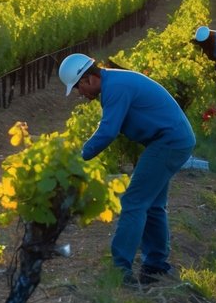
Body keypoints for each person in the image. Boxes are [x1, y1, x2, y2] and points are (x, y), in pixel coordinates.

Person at [59, 53, 196, 285]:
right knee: (152, 204)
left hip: (168, 142)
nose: (80, 94)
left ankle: (120, 269)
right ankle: (155, 265)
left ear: (88, 79)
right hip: (172, 140)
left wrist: (78, 158)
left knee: (134, 202)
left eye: (78, 88)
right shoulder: (114, 82)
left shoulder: (116, 88)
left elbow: (108, 131)